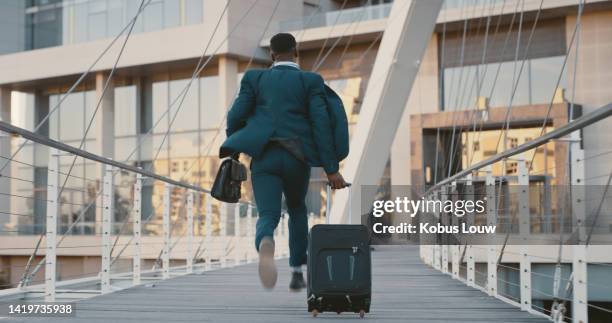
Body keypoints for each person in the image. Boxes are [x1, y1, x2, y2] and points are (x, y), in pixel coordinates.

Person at [220, 33, 348, 291]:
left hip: (264, 157)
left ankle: (266, 240)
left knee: (268, 214)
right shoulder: (310, 81)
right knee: (297, 210)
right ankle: (297, 270)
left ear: (272, 54)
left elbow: (235, 115)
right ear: (296, 52)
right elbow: (321, 124)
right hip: (296, 158)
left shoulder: (255, 78)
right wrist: (331, 169)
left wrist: (237, 142)